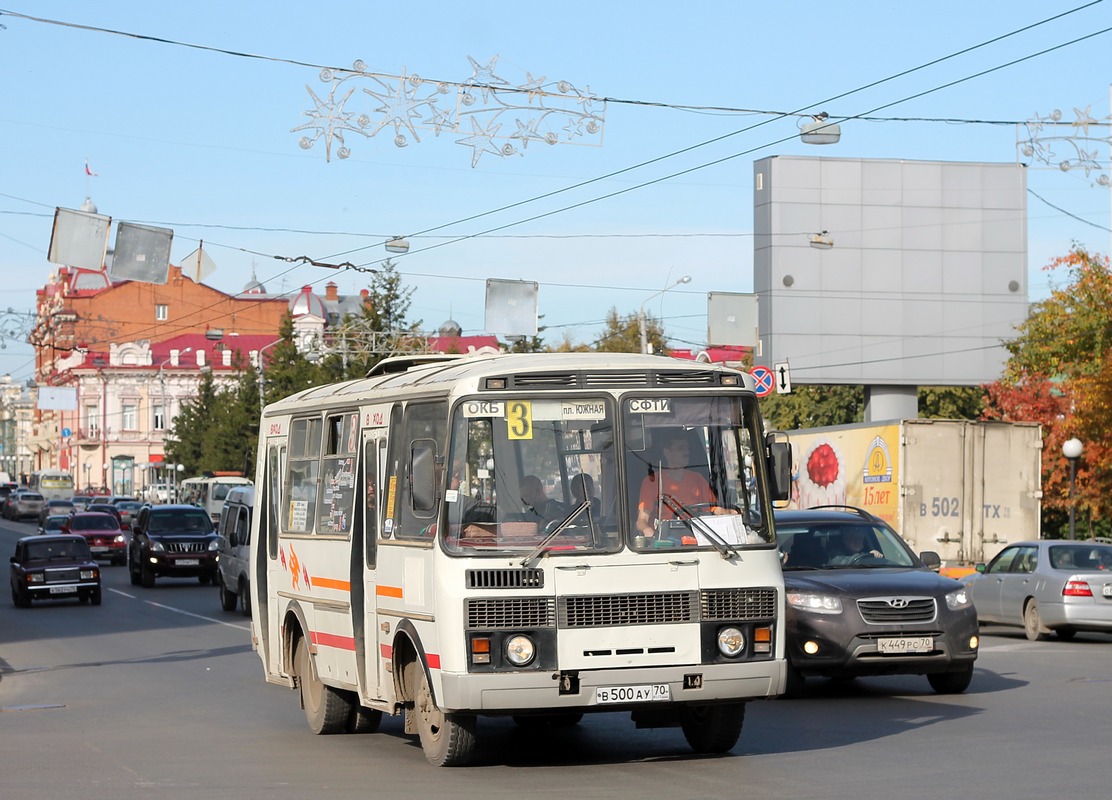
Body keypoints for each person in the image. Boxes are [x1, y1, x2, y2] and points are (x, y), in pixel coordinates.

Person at [635, 429, 735, 539]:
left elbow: (715, 509)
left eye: (687, 448)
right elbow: (641, 520)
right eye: (680, 448)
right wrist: (647, 530)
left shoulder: (697, 479)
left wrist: (731, 512)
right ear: (667, 452)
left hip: (694, 537)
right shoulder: (652, 482)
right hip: (664, 542)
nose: (686, 452)